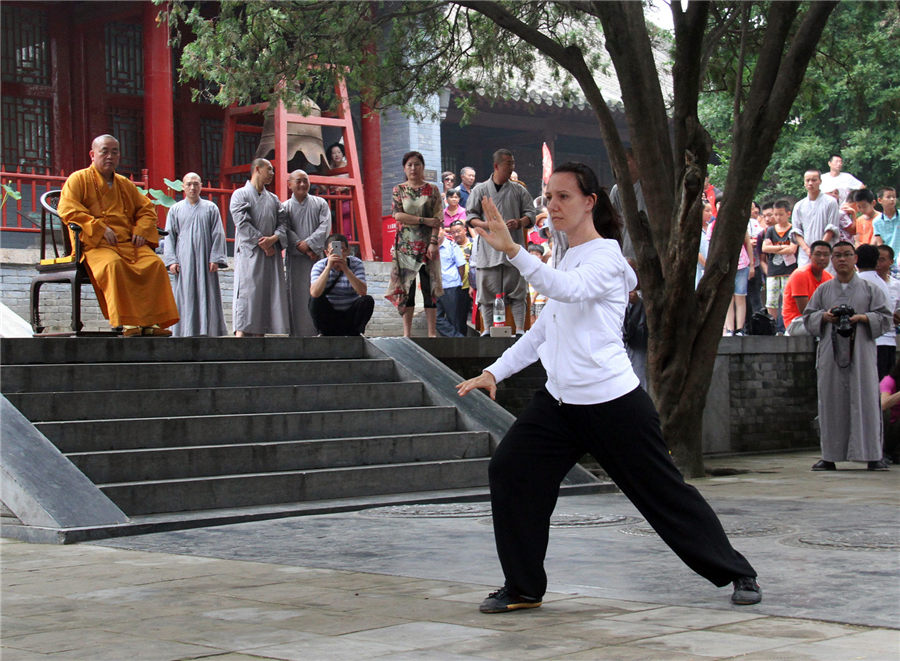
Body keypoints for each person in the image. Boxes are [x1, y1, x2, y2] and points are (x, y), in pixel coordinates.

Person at [456, 162, 761, 613]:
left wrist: (513, 252)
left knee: (663, 494)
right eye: (549, 196)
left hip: (612, 404)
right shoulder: (566, 254)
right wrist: (494, 372)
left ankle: (737, 571)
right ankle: (522, 587)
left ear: (590, 202)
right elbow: (545, 330)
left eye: (564, 197)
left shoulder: (605, 257)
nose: (553, 206)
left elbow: (567, 289)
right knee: (511, 470)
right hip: (558, 405)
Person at [58, 134, 178, 336]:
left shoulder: (125, 184)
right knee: (113, 266)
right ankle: (128, 322)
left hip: (129, 243)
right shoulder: (78, 179)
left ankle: (152, 323)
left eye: (115, 152)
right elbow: (68, 210)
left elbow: (147, 210)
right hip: (96, 244)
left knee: (155, 265)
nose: (110, 156)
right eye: (104, 151)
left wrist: (140, 229)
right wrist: (98, 228)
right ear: (92, 154)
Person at [803, 241, 892, 471]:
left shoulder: (870, 289)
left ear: (855, 259)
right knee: (830, 401)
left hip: (861, 353)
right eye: (838, 255)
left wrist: (863, 319)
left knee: (866, 401)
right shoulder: (823, 290)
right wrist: (825, 317)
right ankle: (830, 455)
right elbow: (808, 318)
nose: (842, 259)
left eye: (847, 255)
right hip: (831, 355)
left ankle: (872, 454)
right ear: (832, 260)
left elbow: (885, 318)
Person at [467, 148, 536, 335]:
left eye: (513, 163)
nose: (512, 167)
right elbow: (470, 216)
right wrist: (487, 224)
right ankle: (488, 330)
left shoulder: (519, 190)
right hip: (488, 250)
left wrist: (519, 222)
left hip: (513, 248)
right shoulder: (480, 190)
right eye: (508, 163)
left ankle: (520, 330)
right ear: (496, 166)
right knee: (486, 295)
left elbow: (531, 214)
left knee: (517, 293)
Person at [385, 151, 443, 337]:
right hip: (405, 246)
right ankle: (406, 333)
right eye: (409, 165)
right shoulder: (399, 190)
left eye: (417, 164)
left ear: (423, 167)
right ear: (404, 168)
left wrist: (433, 243)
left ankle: (432, 333)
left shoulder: (432, 190)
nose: (413, 168)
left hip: (427, 245)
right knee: (407, 289)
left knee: (429, 287)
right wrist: (423, 220)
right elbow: (398, 215)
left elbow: (438, 218)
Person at [229, 157, 290, 337]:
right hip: (250, 255)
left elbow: (283, 223)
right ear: (257, 169)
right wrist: (263, 243)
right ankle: (240, 337)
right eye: (269, 169)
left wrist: (274, 238)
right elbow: (242, 223)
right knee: (247, 296)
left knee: (265, 296)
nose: (272, 174)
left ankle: (260, 339)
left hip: (270, 255)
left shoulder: (273, 199)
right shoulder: (240, 195)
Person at [162, 172, 227, 337]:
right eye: (189, 184)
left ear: (201, 186)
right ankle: (184, 330)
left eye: (196, 184)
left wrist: (215, 258)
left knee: (208, 293)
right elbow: (170, 237)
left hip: (206, 260)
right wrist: (171, 261)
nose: (192, 187)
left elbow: (218, 234)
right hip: (184, 260)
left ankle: (210, 330)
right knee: (185, 294)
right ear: (183, 187)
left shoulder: (211, 208)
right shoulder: (175, 210)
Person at [283, 169, 331, 337]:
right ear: (290, 185)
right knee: (296, 296)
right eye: (298, 181)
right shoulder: (285, 208)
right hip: (296, 261)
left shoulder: (320, 203)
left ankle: (320, 331)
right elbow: (284, 229)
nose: (303, 184)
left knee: (318, 294)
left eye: (306, 180)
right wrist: (300, 245)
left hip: (316, 259)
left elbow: (325, 227)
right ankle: (296, 335)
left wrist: (310, 246)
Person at [309, 234, 373, 336]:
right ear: (326, 253)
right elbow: (314, 293)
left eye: (342, 249)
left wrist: (346, 269)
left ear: (347, 251)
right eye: (333, 250)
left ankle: (356, 332)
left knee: (367, 300)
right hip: (330, 315)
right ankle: (323, 332)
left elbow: (362, 291)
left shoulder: (356, 264)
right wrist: (328, 267)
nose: (339, 252)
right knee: (314, 300)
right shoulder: (319, 266)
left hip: (350, 314)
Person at [782, 241, 832, 336]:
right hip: (797, 322)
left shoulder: (829, 278)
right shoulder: (800, 275)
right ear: (810, 255)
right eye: (818, 254)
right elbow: (805, 310)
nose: (822, 258)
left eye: (826, 255)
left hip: (820, 319)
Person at [792, 169, 840, 268]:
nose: (810, 183)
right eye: (807, 180)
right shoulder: (799, 206)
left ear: (820, 181)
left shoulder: (831, 202)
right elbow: (797, 231)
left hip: (825, 251)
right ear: (804, 183)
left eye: (814, 180)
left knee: (826, 280)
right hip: (805, 254)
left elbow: (832, 228)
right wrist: (807, 250)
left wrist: (819, 249)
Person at [761, 199, 798, 325]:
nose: (777, 217)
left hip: (789, 271)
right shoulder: (770, 230)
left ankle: (788, 326)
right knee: (771, 301)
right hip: (773, 271)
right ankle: (772, 326)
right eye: (775, 214)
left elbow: (792, 249)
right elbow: (765, 248)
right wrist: (783, 248)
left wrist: (775, 249)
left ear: (788, 213)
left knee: (788, 300)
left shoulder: (793, 230)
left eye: (780, 214)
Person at [435, 226, 468, 337]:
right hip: (436, 287)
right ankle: (458, 338)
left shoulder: (452, 246)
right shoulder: (431, 247)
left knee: (454, 319)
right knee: (435, 318)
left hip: (451, 286)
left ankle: (458, 345)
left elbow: (461, 266)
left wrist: (457, 280)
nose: (436, 233)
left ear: (443, 231)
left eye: (438, 230)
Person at [326, 142, 353, 237]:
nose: (336, 155)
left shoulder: (348, 166)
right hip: (332, 202)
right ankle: (336, 251)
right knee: (335, 230)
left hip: (345, 201)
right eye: (333, 153)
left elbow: (354, 183)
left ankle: (348, 250)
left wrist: (344, 187)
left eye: (339, 152)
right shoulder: (330, 168)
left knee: (346, 228)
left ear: (343, 153)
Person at [879, 360, 900, 465]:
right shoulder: (889, 381)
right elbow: (882, 404)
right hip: (886, 430)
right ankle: (881, 452)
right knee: (884, 412)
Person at [873, 187, 899, 261]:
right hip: (888, 261)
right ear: (880, 200)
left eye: (894, 197)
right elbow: (880, 244)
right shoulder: (877, 221)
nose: (892, 199)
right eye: (888, 197)